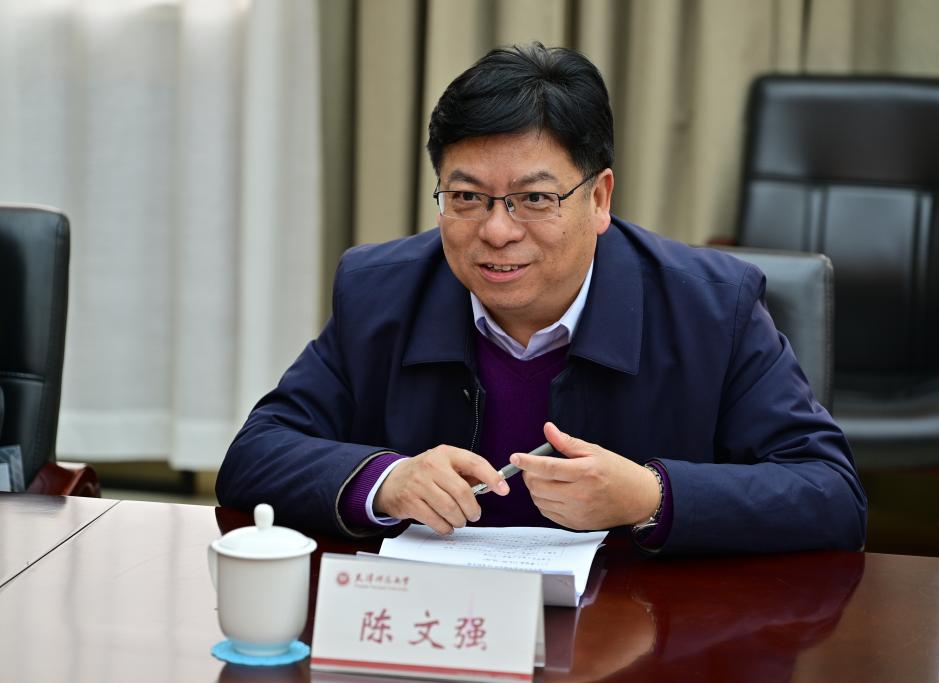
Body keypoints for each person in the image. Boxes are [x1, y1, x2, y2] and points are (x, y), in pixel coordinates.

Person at [216, 43, 866, 555]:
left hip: (633, 630)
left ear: (600, 199)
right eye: (466, 197)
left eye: (534, 198)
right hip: (443, 629)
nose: (497, 230)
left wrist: (651, 496)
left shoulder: (713, 306)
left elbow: (831, 493)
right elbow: (256, 452)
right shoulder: (379, 289)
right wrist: (386, 480)